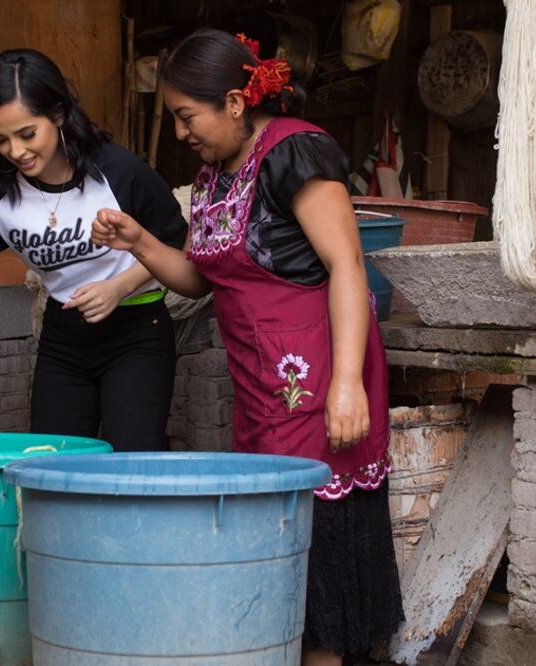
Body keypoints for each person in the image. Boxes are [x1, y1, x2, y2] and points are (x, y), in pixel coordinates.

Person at [91, 29, 403, 665]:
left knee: (317, 535)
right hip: (262, 382)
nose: (180, 132)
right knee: (277, 530)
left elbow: (347, 265)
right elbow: (199, 278)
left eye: (187, 116)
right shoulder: (213, 175)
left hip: (319, 371)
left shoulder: (296, 153)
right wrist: (139, 242)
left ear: (235, 102)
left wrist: (347, 384)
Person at [0, 49, 187, 452]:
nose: (15, 151)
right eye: (0, 139)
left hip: (136, 329)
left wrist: (119, 287)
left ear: (58, 114)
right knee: (53, 464)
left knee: (132, 467)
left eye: (27, 134)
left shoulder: (118, 172)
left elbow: (177, 242)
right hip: (63, 338)